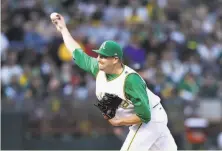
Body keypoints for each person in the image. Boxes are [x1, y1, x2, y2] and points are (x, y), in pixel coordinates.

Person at [50, 12, 177, 151]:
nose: (99, 59)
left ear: (115, 59)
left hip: (150, 119)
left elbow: (145, 116)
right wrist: (63, 29)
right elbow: (76, 51)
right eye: (99, 55)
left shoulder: (130, 80)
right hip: (145, 119)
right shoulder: (98, 68)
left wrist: (120, 121)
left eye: (104, 56)